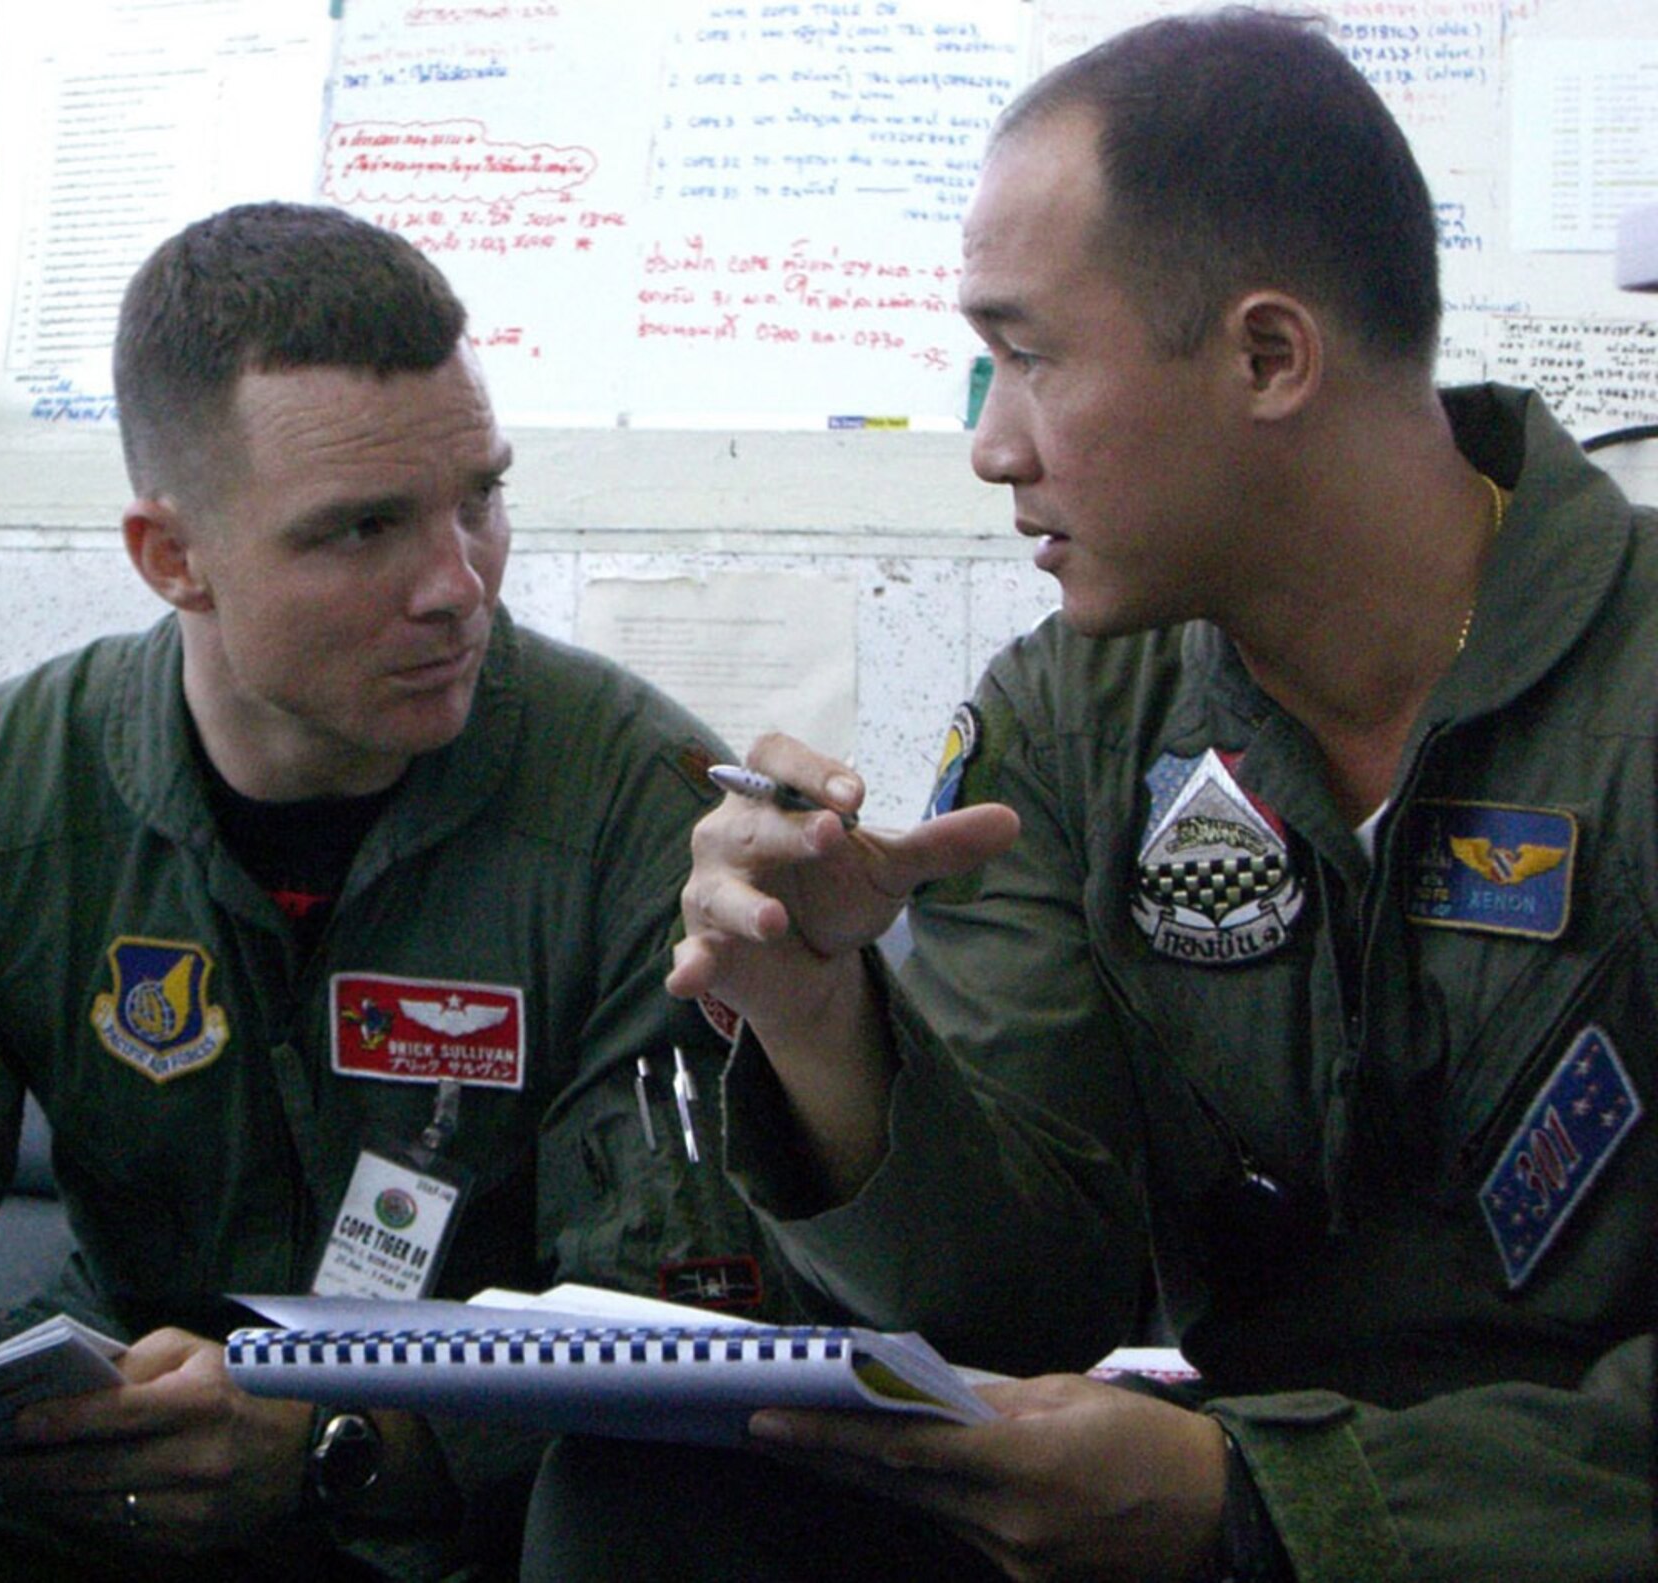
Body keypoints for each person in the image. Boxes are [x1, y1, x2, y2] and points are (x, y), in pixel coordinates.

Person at [523, 10, 1656, 1581]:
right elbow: (1020, 1308)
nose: (989, 448)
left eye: (1032, 357)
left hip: (1532, 1527)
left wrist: (1267, 1508)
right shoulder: (1073, 718)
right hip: (1221, 1506)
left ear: (1269, 357)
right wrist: (819, 1017)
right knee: (639, 1511)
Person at [0, 201, 780, 1581]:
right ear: (170, 556)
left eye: (478, 495)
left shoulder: (637, 822)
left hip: (473, 1510)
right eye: (361, 529)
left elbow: (668, 1329)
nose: (459, 585)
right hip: (104, 1476)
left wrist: (342, 1440)